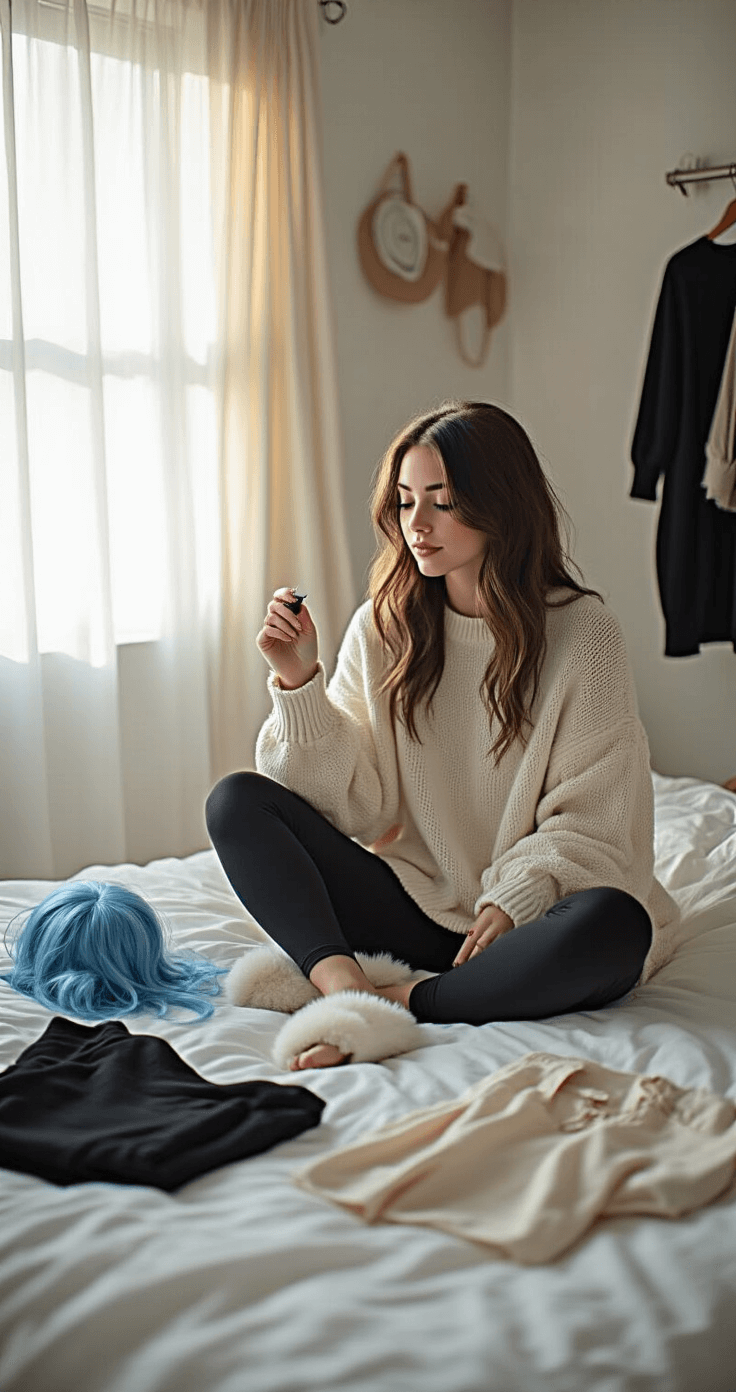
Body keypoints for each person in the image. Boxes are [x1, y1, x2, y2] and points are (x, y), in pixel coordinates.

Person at [206, 401, 678, 1071]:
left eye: (443, 502)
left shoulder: (584, 635)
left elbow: (596, 822)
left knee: (617, 926)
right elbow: (349, 805)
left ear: (500, 505)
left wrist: (515, 897)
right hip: (411, 906)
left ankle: (408, 996)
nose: (417, 526)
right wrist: (299, 682)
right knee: (236, 802)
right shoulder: (384, 628)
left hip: (521, 925)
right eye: (404, 503)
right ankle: (343, 987)